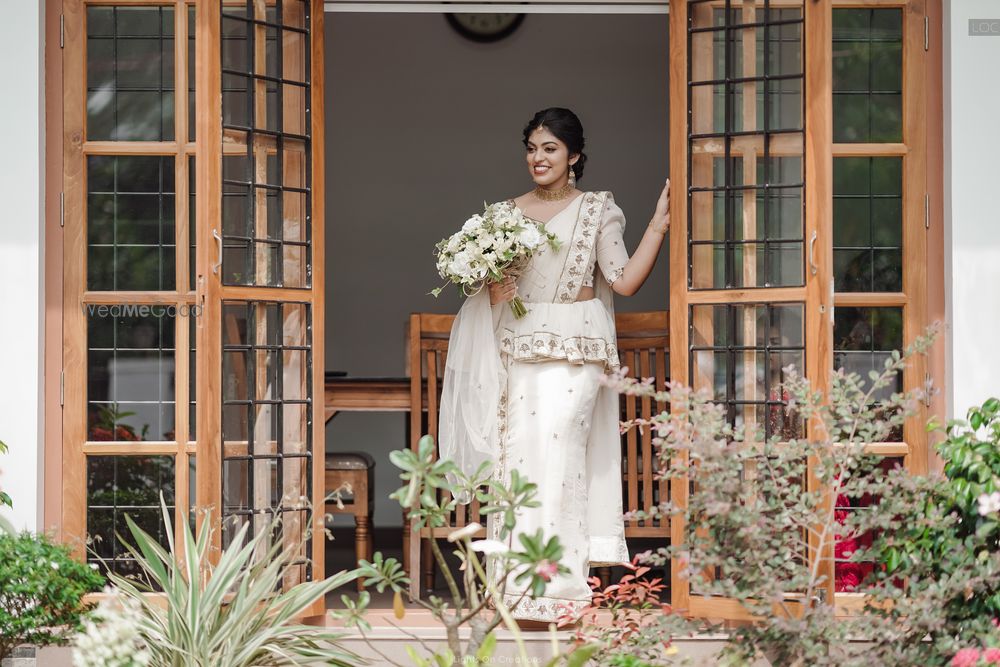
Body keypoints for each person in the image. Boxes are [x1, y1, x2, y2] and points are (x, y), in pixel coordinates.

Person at [438, 107, 670, 623]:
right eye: (532, 148)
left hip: (575, 353)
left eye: (550, 149)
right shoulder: (503, 215)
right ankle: (514, 588)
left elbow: (624, 280)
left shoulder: (596, 211)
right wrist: (491, 283)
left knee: (559, 456)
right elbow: (494, 297)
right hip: (518, 350)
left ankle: (559, 588)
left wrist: (657, 226)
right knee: (519, 460)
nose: (538, 158)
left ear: (574, 156)